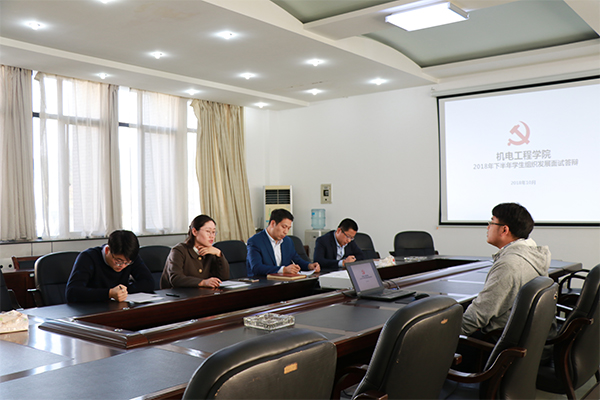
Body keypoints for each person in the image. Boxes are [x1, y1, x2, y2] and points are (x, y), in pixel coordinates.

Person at [461, 202, 551, 337]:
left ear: (504, 230)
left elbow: (477, 317)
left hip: (499, 341)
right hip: (527, 338)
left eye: (491, 222)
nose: (487, 227)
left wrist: (443, 332)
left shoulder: (509, 265)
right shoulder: (531, 256)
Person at [66, 230, 154, 303]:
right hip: (91, 310)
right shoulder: (88, 257)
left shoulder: (129, 257)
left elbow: (149, 282)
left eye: (127, 263)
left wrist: (122, 292)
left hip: (117, 309)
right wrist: (110, 293)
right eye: (118, 261)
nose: (122, 266)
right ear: (107, 250)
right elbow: (72, 292)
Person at [160, 215, 229, 289]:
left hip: (202, 293)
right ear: (194, 232)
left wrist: (219, 254)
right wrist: (202, 282)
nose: (212, 236)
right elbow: (175, 279)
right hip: (178, 294)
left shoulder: (211, 252)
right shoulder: (178, 251)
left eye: (214, 232)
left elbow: (224, 278)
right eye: (208, 231)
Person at [247, 208, 320, 277]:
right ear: (273, 223)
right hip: (263, 282)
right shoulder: (255, 241)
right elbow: (256, 268)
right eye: (284, 227)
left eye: (288, 228)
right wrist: (283, 270)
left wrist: (309, 266)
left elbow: (297, 260)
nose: (286, 232)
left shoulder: (287, 241)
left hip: (284, 281)